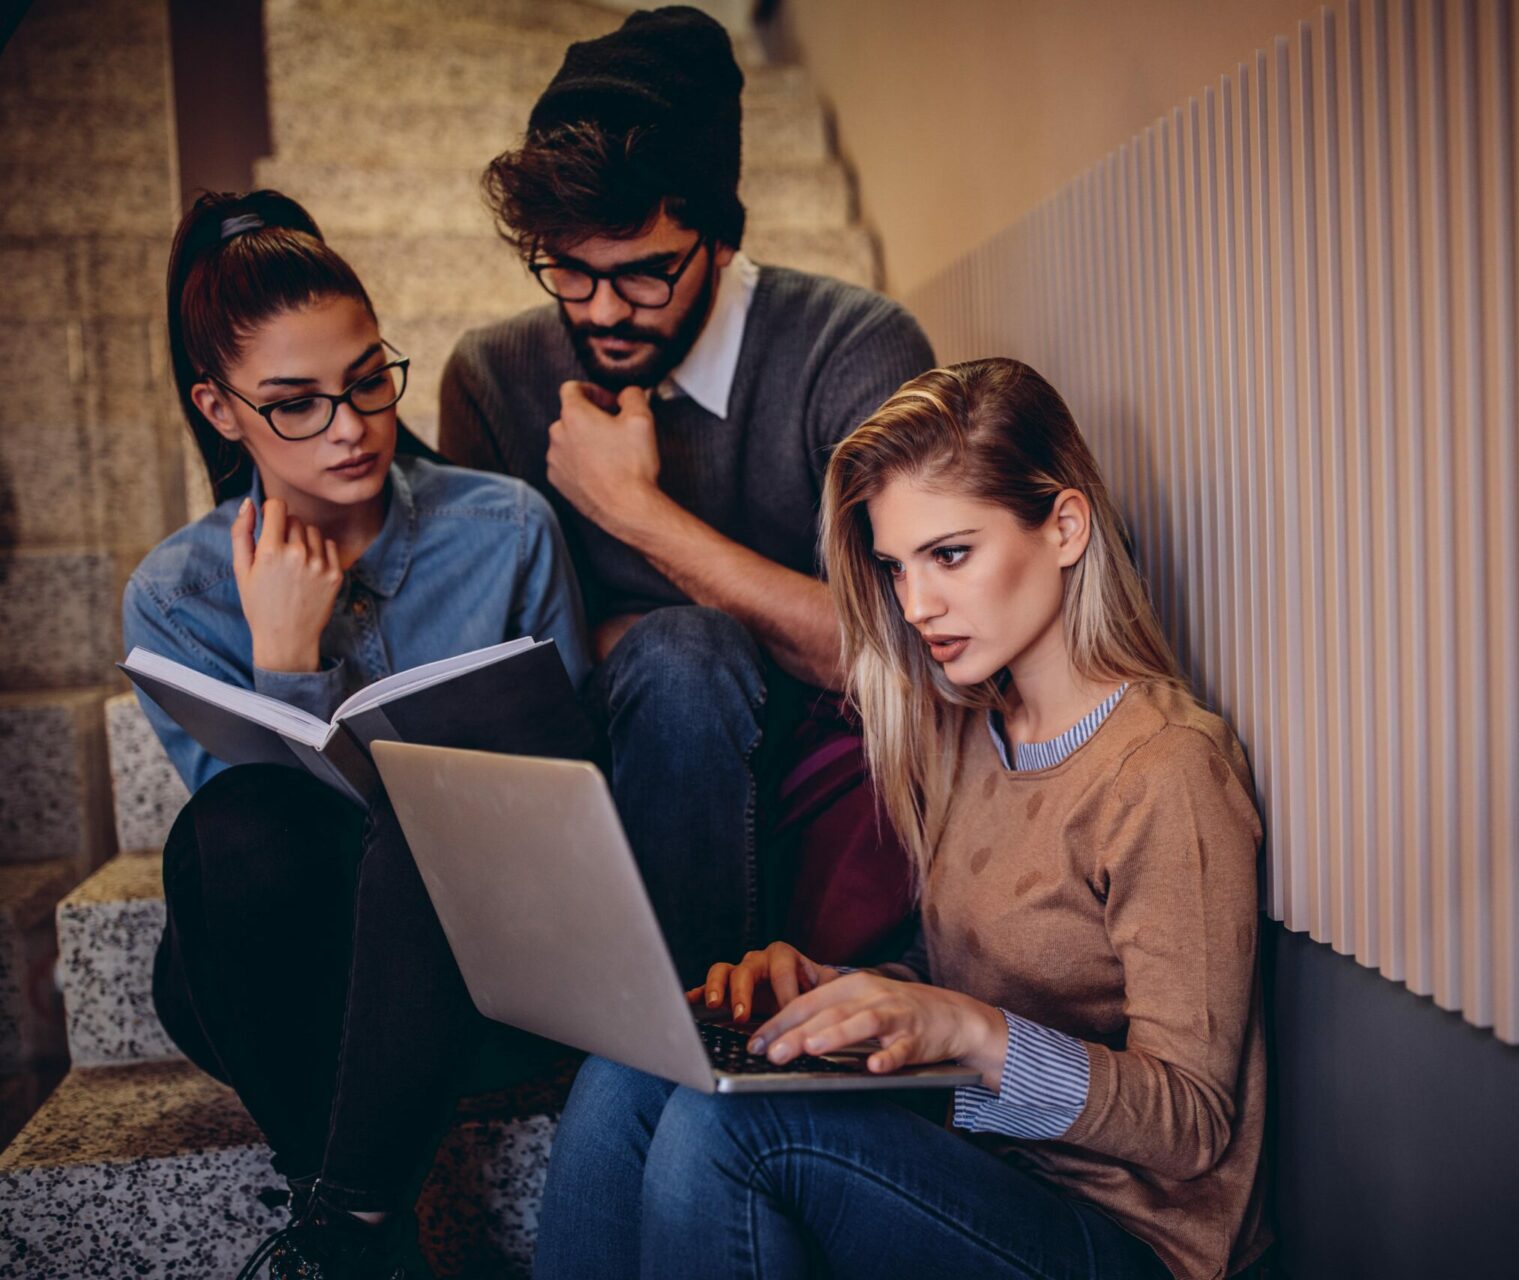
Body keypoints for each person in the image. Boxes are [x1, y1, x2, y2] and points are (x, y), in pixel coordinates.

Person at [532, 358, 1270, 1280]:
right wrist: (836, 990)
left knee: (736, 1130)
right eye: (896, 566)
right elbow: (964, 968)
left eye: (950, 554)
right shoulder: (969, 731)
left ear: (1066, 526)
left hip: (1128, 1238)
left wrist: (970, 1033)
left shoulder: (1166, 771)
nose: (916, 606)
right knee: (632, 1070)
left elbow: (1195, 1123)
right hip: (978, 1170)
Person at [123, 189, 592, 1279]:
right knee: (235, 821)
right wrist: (285, 657)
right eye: (294, 402)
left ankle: (348, 1230)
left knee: (437, 811)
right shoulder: (176, 592)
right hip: (296, 996)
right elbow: (261, 884)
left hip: (485, 971)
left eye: (369, 379)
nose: (349, 426)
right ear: (220, 407)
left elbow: (575, 795)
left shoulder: (505, 527)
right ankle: (357, 1209)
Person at [439, 5, 935, 979]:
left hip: (826, 780)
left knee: (680, 644)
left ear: (718, 232)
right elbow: (498, 671)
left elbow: (899, 652)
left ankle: (700, 1028)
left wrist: (634, 514)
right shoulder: (492, 377)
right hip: (604, 779)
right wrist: (738, 623)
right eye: (566, 271)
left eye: (644, 274)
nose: (602, 310)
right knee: (680, 650)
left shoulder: (854, 350)